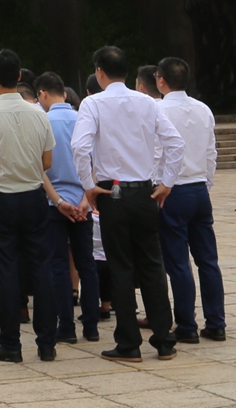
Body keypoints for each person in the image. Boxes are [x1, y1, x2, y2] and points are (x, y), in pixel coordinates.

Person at [71, 45, 185, 363]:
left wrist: (88, 186)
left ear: (99, 72)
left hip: (113, 193)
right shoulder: (147, 102)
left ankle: (129, 343)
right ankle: (164, 340)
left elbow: (79, 147)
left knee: (120, 265)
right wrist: (167, 183)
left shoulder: (93, 103)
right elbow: (175, 143)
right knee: (152, 265)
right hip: (146, 191)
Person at [0, 49, 57, 363]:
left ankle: (10, 343)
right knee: (42, 267)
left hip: (0, 198)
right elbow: (47, 161)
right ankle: (47, 343)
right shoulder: (38, 113)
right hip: (34, 196)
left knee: (6, 269)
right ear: (19, 76)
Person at [154, 57, 225, 343]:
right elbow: (211, 152)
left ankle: (186, 325)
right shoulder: (203, 109)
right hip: (198, 188)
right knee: (208, 260)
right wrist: (206, 183)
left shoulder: (158, 110)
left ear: (161, 80)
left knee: (178, 262)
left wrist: (158, 186)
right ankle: (216, 322)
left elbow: (157, 153)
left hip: (172, 190)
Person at [34, 72, 100, 344]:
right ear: (64, 92)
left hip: (54, 204)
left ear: (42, 94)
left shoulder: (41, 121)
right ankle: (92, 325)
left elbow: (38, 168)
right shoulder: (83, 119)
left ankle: (66, 326)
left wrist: (59, 201)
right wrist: (86, 198)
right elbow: (95, 162)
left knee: (58, 265)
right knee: (87, 263)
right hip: (83, 202)